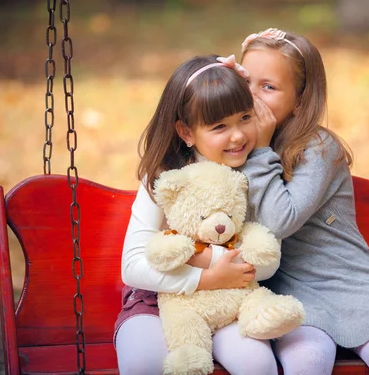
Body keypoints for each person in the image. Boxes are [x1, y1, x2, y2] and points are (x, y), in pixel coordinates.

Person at [238, 28, 369, 375]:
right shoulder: (233, 144)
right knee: (307, 360)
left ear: (300, 100)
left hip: (351, 283)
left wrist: (263, 150)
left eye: (268, 87)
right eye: (245, 82)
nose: (251, 97)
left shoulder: (318, 148)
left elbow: (281, 220)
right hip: (290, 293)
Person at [115, 54, 281, 375]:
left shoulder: (254, 175)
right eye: (219, 126)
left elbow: (269, 260)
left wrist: (219, 271)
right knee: (143, 363)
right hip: (159, 300)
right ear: (187, 132)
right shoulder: (164, 179)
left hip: (232, 300)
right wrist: (206, 276)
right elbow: (133, 266)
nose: (237, 136)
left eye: (245, 117)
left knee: (257, 364)